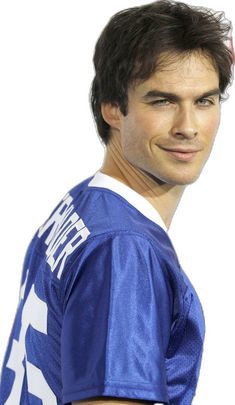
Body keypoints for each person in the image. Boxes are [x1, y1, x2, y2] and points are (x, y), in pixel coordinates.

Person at [0, 0, 234, 404]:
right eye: (162, 101)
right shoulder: (122, 248)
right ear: (112, 108)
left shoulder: (83, 203)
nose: (188, 127)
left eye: (204, 101)